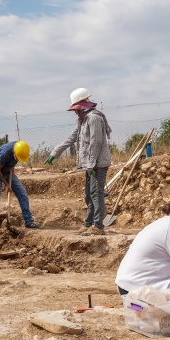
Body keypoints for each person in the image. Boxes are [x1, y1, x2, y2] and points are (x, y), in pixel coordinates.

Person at [45, 88, 112, 236]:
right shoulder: (83, 120)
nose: (75, 112)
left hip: (97, 164)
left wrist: (91, 164)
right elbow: (71, 138)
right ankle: (88, 223)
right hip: (90, 164)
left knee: (96, 194)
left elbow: (96, 142)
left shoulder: (94, 118)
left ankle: (98, 226)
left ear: (82, 105)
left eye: (76, 109)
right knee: (89, 195)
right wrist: (55, 153)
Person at [0, 140, 42, 234]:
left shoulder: (21, 147)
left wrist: (11, 168)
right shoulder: (4, 153)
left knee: (22, 193)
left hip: (8, 173)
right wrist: (6, 184)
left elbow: (14, 160)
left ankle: (28, 221)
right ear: (14, 152)